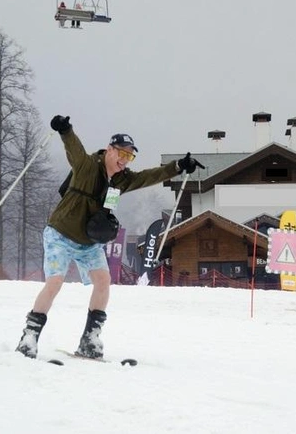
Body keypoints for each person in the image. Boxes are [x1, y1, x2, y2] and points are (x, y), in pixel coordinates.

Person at [16, 115, 204, 360]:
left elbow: (150, 176)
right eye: (122, 154)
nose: (124, 161)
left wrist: (178, 166)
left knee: (103, 282)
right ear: (109, 150)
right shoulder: (87, 166)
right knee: (55, 282)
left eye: (129, 157)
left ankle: (90, 339)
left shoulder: (122, 180)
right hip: (60, 234)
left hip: (88, 242)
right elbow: (75, 149)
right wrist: (66, 130)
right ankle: (29, 336)